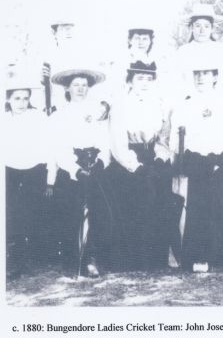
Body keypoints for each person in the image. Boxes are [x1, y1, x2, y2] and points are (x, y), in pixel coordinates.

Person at [169, 56, 223, 273]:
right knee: (197, 207)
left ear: (215, 77)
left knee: (219, 204)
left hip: (218, 159)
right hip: (195, 160)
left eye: (206, 73)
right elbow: (175, 137)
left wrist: (222, 160)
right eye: (197, 74)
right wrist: (184, 159)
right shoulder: (184, 105)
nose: (201, 78)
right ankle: (198, 254)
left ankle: (220, 254)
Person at [47, 67, 113, 277]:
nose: (80, 89)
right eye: (76, 85)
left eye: (84, 85)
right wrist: (75, 169)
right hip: (73, 167)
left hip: (94, 164)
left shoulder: (96, 111)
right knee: (73, 214)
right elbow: (59, 148)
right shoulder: (60, 115)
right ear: (68, 87)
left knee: (97, 212)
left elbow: (104, 139)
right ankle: (72, 260)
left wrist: (101, 160)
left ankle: (90, 258)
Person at [108, 61, 173, 271]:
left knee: (159, 201)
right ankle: (133, 259)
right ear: (130, 81)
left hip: (153, 155)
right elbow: (117, 141)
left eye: (148, 79)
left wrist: (160, 157)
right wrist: (133, 165)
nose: (144, 83)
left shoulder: (160, 103)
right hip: (130, 158)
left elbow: (164, 136)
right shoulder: (121, 105)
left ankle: (156, 258)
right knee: (134, 203)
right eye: (139, 78)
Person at [4, 81, 51, 279]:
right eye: (17, 98)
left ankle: (31, 259)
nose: (22, 103)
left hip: (34, 169)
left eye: (25, 98)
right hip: (9, 170)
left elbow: (48, 145)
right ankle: (14, 261)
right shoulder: (4, 119)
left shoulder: (38, 117)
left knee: (31, 214)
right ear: (8, 99)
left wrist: (49, 176)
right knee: (11, 215)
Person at [170, 4, 223, 98]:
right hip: (189, 102)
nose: (202, 30)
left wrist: (217, 98)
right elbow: (176, 80)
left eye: (206, 26)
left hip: (217, 101)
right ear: (191, 28)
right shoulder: (183, 52)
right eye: (197, 26)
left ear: (212, 28)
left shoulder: (221, 51)